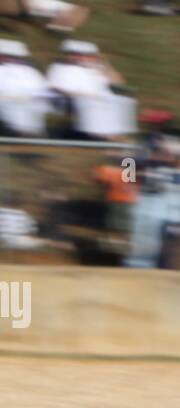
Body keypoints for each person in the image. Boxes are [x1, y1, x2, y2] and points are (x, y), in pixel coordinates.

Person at [46, 40, 133, 140]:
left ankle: (113, 133)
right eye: (75, 55)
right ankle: (100, 134)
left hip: (100, 99)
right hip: (71, 99)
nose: (80, 58)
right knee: (96, 104)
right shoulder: (59, 67)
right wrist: (84, 96)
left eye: (85, 55)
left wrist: (105, 66)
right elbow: (56, 88)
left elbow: (119, 83)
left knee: (124, 102)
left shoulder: (96, 68)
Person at [126, 134, 180, 267]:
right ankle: (140, 266)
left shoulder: (172, 164)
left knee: (172, 241)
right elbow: (127, 167)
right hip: (150, 201)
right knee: (146, 238)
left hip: (172, 201)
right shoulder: (139, 161)